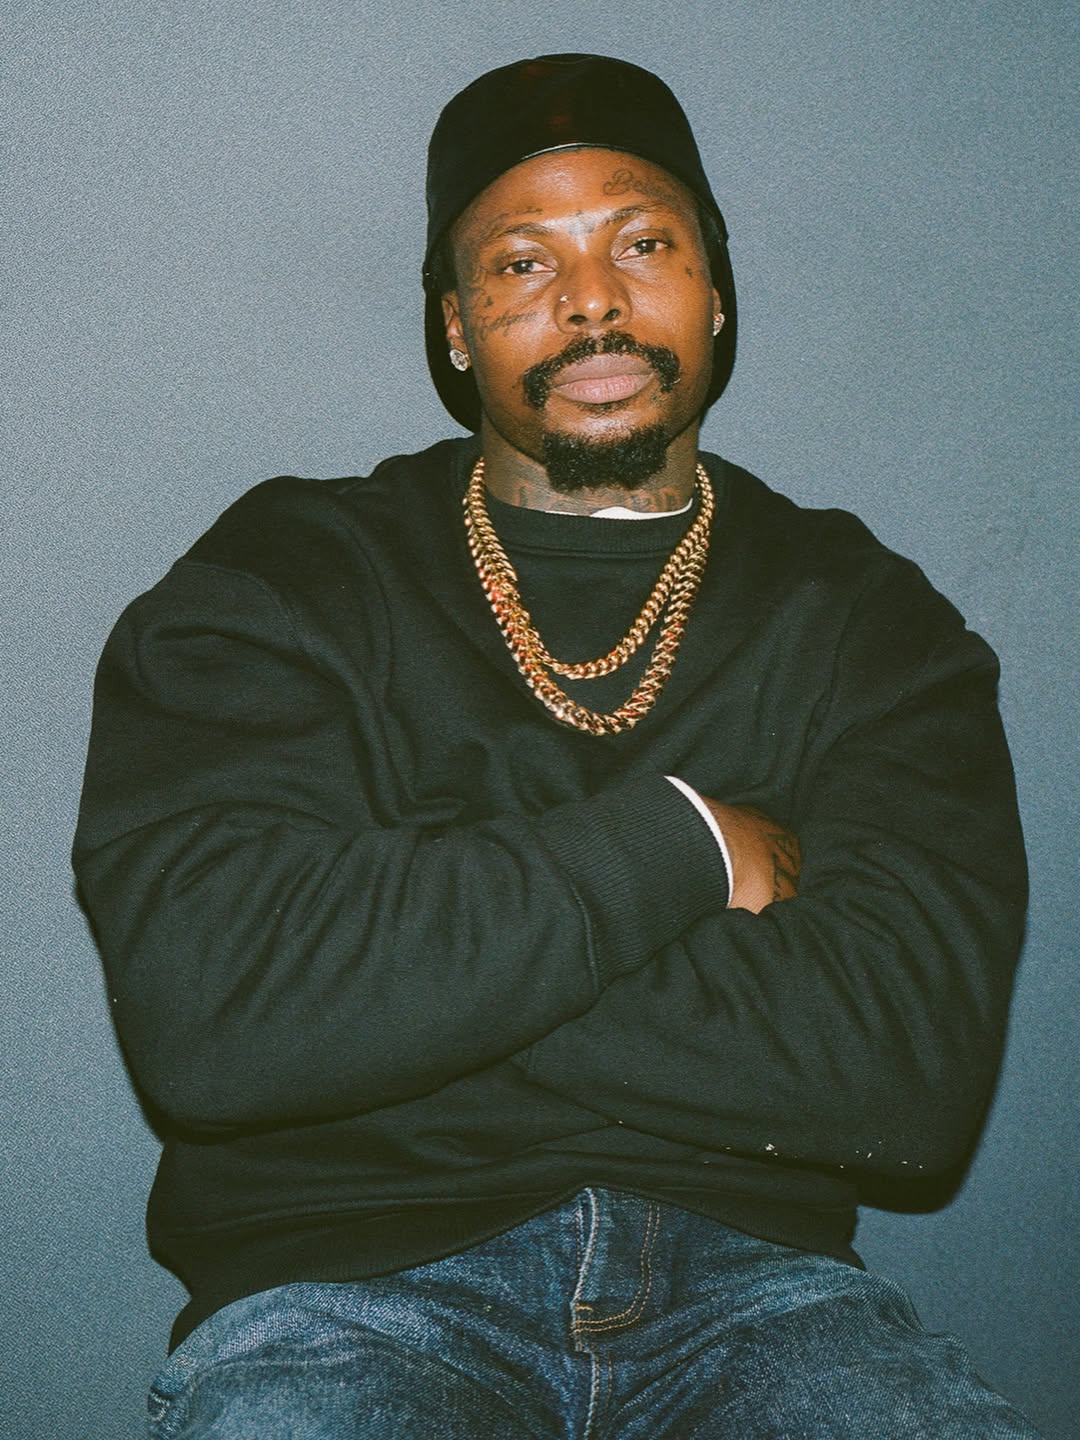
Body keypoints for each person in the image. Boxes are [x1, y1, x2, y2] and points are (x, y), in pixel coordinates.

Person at [73, 53, 1039, 1438]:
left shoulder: (866, 621)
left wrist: (402, 952)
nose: (591, 298)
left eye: (642, 242)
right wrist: (687, 848)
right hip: (352, 1290)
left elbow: (905, 1074)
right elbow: (218, 1015)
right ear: (458, 327)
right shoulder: (288, 576)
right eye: (522, 264)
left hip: (764, 1295)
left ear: (715, 289)